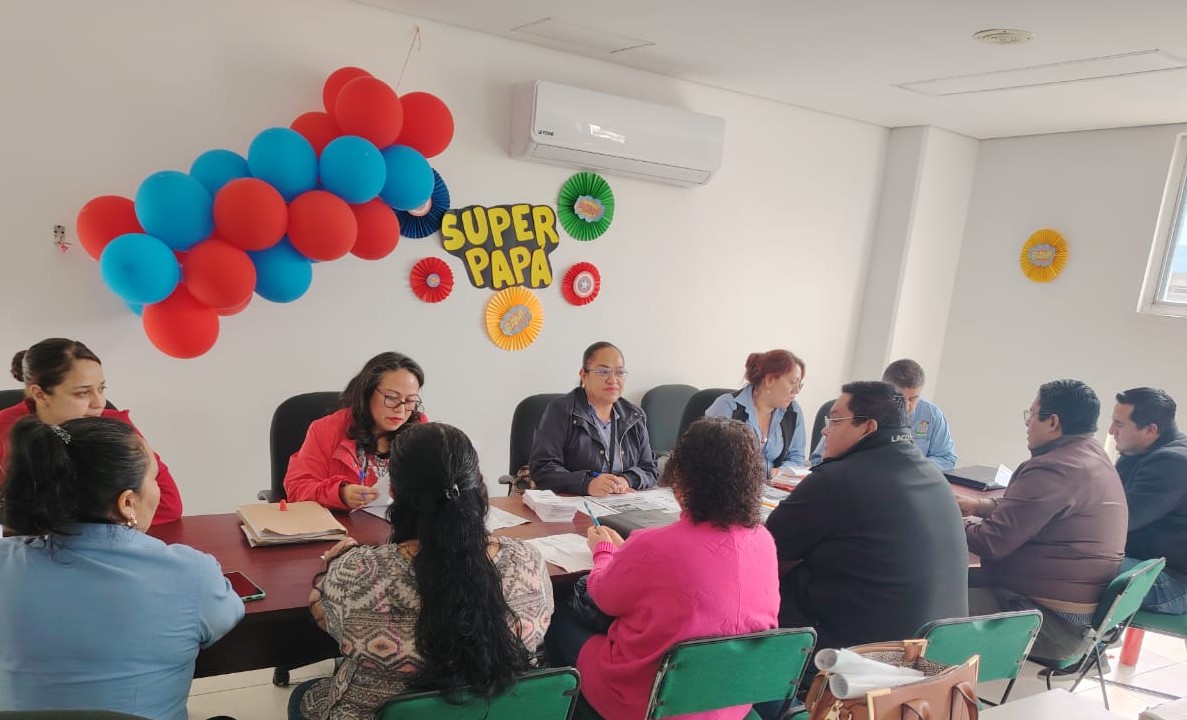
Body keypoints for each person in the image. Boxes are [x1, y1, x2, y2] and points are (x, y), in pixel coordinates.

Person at [289, 422, 553, 720]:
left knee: (303, 695)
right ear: (478, 485)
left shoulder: (356, 572)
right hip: (495, 711)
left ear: (392, 491)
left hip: (378, 712)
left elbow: (323, 613)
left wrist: (336, 561)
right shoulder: (528, 560)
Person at [0, 416, 243, 719]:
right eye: (154, 479)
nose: (158, 490)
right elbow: (228, 615)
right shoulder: (191, 574)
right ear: (127, 503)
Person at [546, 417, 779, 720]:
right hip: (730, 698)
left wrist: (604, 551)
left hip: (646, 701)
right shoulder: (763, 540)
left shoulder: (653, 545)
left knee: (557, 616)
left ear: (682, 478)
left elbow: (603, 597)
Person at [766, 381, 968, 653]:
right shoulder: (935, 476)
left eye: (835, 420)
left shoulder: (837, 479)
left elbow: (769, 544)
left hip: (862, 656)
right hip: (939, 654)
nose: (825, 430)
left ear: (867, 427)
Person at [960, 379, 1128, 660]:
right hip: (1072, 615)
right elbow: (1034, 509)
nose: (1028, 424)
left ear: (1052, 422)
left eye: (1032, 415)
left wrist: (946, 518)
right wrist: (979, 505)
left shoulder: (1054, 468)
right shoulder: (1092, 456)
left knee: (921, 599)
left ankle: (917, 681)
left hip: (1047, 623)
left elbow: (991, 543)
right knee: (944, 580)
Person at [0, 338, 183, 524]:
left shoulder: (114, 424)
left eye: (101, 389)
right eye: (83, 393)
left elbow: (167, 504)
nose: (99, 403)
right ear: (40, 395)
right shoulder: (4, 430)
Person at [284, 352, 425, 510]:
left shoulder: (419, 429)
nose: (401, 410)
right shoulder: (326, 430)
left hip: (398, 522)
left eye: (410, 400)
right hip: (342, 523)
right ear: (367, 392)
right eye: (391, 397)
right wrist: (340, 494)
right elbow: (297, 489)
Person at [529, 342, 658, 496]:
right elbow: (543, 468)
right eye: (603, 372)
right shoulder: (561, 411)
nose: (613, 380)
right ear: (584, 375)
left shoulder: (635, 416)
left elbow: (650, 469)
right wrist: (587, 484)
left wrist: (626, 480)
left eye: (619, 372)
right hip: (575, 503)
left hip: (623, 501)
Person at [1110, 387, 1187, 615]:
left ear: (1150, 430)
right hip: (1144, 563)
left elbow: (1118, 521)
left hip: (1173, 581)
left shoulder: (1172, 463)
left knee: (1074, 565)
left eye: (1119, 424)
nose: (1111, 430)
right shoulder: (1137, 453)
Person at [810, 359, 957, 470]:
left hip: (909, 486)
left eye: (913, 399)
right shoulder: (860, 409)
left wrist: (912, 466)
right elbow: (818, 458)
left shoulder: (932, 414)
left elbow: (947, 458)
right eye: (899, 398)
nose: (906, 406)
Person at [705, 349, 808, 478]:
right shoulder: (727, 407)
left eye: (799, 385)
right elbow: (712, 458)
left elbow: (796, 457)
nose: (796, 390)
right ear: (769, 380)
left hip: (773, 487)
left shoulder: (793, 411)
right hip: (731, 485)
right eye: (793, 382)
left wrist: (783, 471)